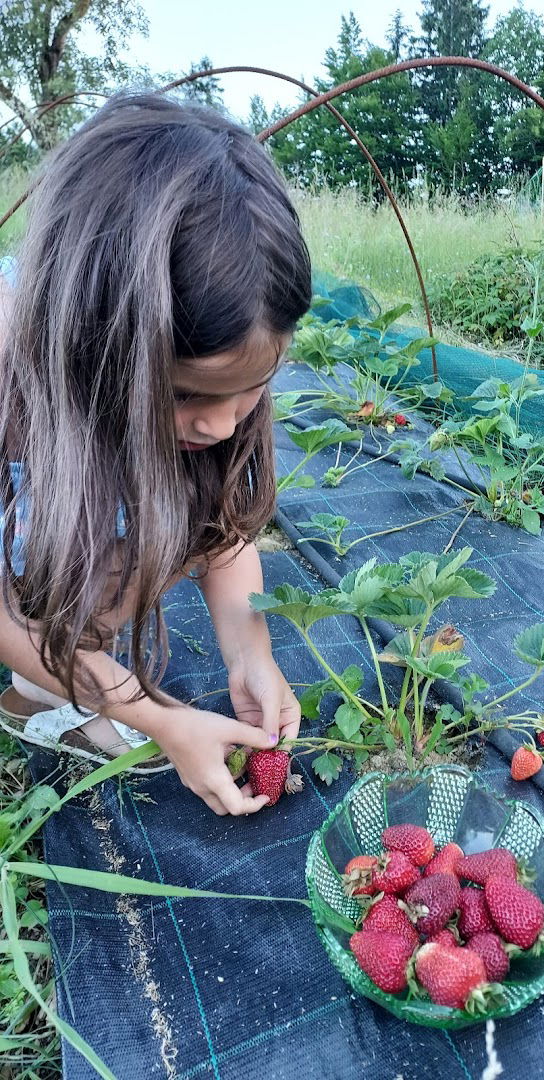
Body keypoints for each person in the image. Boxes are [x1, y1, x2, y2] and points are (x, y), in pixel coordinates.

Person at [0, 93, 311, 816]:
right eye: (188, 395)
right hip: (27, 504)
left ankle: (62, 676)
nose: (225, 425)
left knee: (160, 521)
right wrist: (158, 717)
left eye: (250, 390)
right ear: (91, 338)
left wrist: (249, 652)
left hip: (76, 492)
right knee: (76, 550)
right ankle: (37, 693)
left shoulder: (212, 404)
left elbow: (225, 528)